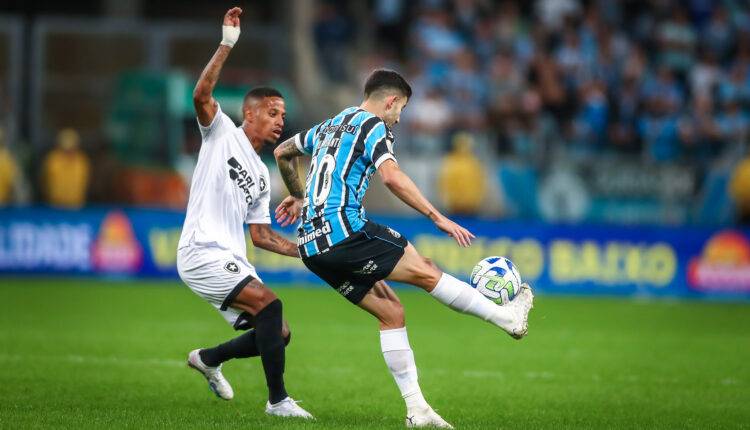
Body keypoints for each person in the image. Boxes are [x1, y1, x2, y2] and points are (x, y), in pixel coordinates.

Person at [274, 69, 534, 428]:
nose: (399, 117)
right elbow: (392, 176)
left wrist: (300, 195)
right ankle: (507, 318)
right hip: (345, 231)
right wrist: (436, 216)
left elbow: (283, 151)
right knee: (426, 270)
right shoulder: (372, 126)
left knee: (391, 313)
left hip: (312, 248)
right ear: (391, 100)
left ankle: (418, 410)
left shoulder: (330, 125)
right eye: (401, 109)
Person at [176, 7, 312, 419]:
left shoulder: (262, 173)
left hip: (233, 257)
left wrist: (305, 251)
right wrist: (227, 43)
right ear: (248, 114)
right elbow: (200, 95)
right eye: (273, 113)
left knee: (279, 332)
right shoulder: (219, 134)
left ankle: (208, 358)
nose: (279, 122)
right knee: (271, 308)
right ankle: (278, 402)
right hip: (201, 251)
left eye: (283, 116)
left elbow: (262, 236)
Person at [42, 128, 90, 208]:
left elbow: (85, 182)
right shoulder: (52, 160)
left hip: (76, 205)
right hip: (54, 204)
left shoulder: (82, 161)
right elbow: (44, 181)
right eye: (65, 147)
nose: (68, 151)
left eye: (71, 147)